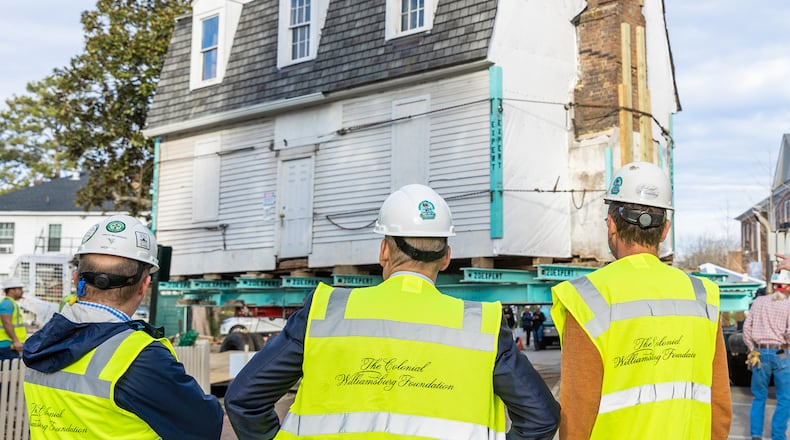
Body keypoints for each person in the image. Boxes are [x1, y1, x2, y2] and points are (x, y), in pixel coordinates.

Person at [225, 184, 560, 439]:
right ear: (446, 257)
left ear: (384, 250)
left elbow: (244, 400)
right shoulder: (481, 327)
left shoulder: (326, 313)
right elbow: (540, 418)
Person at [551, 161, 732, 439]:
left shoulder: (588, 297)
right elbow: (718, 405)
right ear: (664, 230)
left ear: (611, 224)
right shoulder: (701, 296)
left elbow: (578, 410)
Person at [22, 215, 224, 439]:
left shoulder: (42, 342)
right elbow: (206, 426)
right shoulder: (138, 356)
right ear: (144, 285)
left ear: (76, 278)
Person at [742, 270, 790, 440]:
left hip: (759, 354)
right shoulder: (788, 304)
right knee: (785, 398)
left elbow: (746, 328)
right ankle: (778, 436)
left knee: (759, 396)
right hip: (781, 353)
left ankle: (756, 434)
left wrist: (751, 347)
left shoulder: (759, 301)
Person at [0, 278, 26, 362]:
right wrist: (16, 341)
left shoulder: (10, 303)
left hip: (8, 345)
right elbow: (6, 322)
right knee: (10, 372)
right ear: (12, 290)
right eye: (20, 289)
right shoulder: (7, 303)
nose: (22, 291)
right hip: (6, 346)